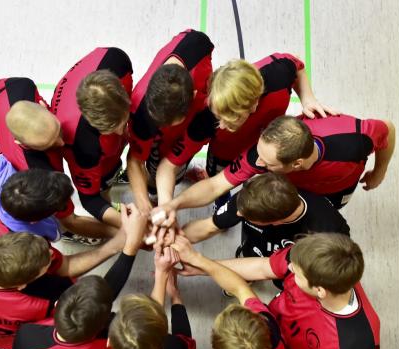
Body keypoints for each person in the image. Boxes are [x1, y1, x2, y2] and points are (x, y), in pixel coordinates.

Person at [209, 233, 381, 349]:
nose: (289, 267)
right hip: (261, 333)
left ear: (320, 290)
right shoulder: (308, 259)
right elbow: (262, 267)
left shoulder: (358, 345)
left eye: (296, 274)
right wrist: (204, 266)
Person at [8, 205, 147, 349]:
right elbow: (104, 298)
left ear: (59, 306)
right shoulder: (115, 339)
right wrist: (130, 248)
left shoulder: (28, 336)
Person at [154, 113, 396, 227]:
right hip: (287, 187)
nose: (258, 164)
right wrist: (172, 205)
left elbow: (388, 129)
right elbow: (217, 184)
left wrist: (379, 171)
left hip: (334, 191)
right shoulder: (263, 153)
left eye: (268, 165)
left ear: (296, 164)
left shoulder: (355, 141)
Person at [178, 53, 334, 208]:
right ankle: (221, 204)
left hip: (264, 145)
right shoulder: (207, 116)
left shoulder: (278, 74)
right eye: (220, 117)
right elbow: (179, 161)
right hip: (223, 153)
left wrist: (308, 98)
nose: (222, 126)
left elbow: (296, 65)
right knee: (218, 180)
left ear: (253, 105)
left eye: (231, 118)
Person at [0, 147, 116, 262]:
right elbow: (63, 268)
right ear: (35, 222)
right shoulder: (23, 246)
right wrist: (118, 240)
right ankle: (70, 233)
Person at [183, 173, 349, 288]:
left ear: (274, 222)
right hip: (255, 248)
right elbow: (209, 225)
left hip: (293, 270)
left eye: (246, 217)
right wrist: (174, 237)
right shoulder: (254, 196)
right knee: (246, 260)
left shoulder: (326, 235)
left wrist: (202, 266)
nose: (238, 214)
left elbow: (263, 269)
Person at [126, 29, 215, 216]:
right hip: (157, 138)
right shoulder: (141, 112)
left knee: (180, 159)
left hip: (192, 118)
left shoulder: (199, 43)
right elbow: (135, 160)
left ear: (194, 95)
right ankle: (154, 193)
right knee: (155, 171)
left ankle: (180, 174)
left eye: (172, 123)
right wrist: (145, 205)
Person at [51, 47, 134, 227]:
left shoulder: (118, 60)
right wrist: (125, 224)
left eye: (123, 121)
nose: (122, 133)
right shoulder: (82, 147)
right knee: (104, 180)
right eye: (112, 129)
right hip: (88, 148)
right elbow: (90, 199)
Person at [0, 76, 65, 172]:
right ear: (21, 143)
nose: (62, 143)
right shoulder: (35, 173)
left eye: (58, 130)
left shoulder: (18, 86)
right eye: (49, 146)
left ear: (42, 106)